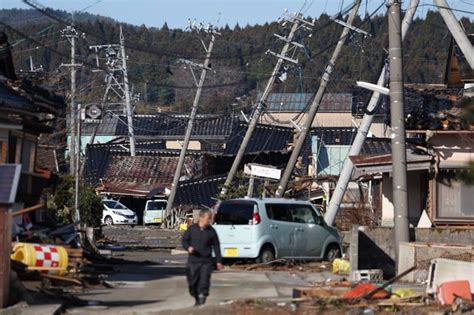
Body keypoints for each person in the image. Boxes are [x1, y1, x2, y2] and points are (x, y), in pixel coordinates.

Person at [182, 209, 223, 306]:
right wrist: (188, 248)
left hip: (206, 261)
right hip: (193, 261)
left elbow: (216, 246)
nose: (209, 221)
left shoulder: (211, 231)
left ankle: (202, 298)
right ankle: (196, 296)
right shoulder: (191, 229)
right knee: (192, 282)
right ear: (201, 217)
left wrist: (219, 261)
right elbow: (184, 241)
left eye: (210, 219)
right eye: (208, 218)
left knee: (204, 281)